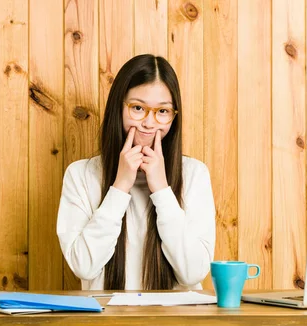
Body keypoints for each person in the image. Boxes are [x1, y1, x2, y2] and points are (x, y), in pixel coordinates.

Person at [57, 54, 216, 291]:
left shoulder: (194, 173)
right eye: (138, 108)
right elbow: (84, 266)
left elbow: (192, 274)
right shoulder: (81, 174)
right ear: (118, 107)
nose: (149, 123)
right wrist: (120, 187)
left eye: (162, 112)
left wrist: (162, 190)